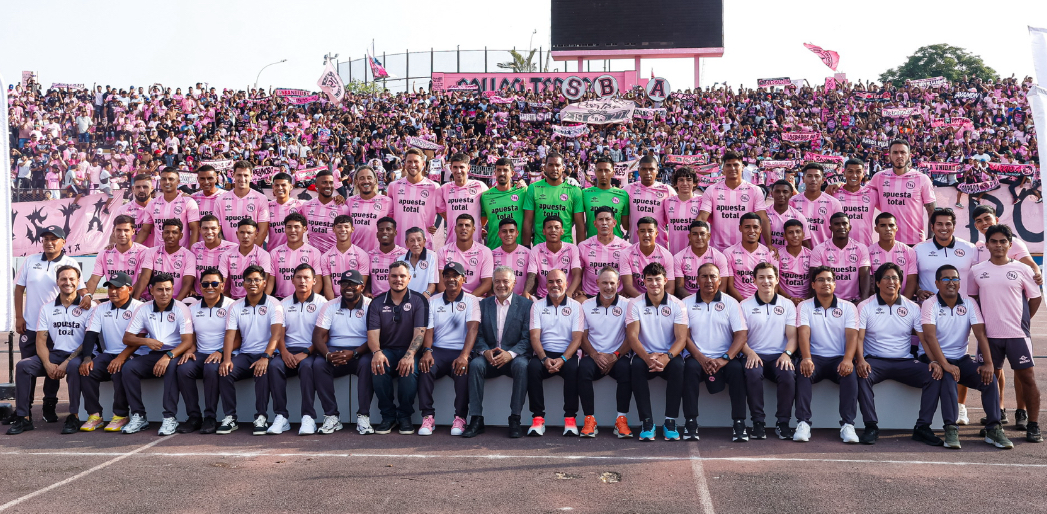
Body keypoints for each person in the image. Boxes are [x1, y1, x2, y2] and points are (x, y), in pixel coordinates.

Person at [920, 264, 1011, 449]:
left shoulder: (969, 302)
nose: (951, 282)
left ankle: (993, 428)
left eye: (955, 278)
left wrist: (988, 363)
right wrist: (944, 364)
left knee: (989, 379)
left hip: (961, 358)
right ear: (937, 283)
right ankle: (951, 428)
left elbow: (980, 334)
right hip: (935, 359)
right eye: (946, 279)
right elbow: (929, 337)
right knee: (947, 378)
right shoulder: (930, 303)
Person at [967, 205, 1042, 428]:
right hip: (989, 336)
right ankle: (996, 418)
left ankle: (1029, 420)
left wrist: (1023, 319)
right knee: (989, 377)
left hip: (1017, 333)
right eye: (994, 242)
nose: (998, 245)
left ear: (1010, 244)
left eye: (1002, 242)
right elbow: (973, 299)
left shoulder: (1022, 268)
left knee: (1026, 377)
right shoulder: (977, 269)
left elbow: (1035, 297)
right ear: (986, 244)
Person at [855, 263, 941, 446]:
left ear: (901, 283)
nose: (891, 281)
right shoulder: (865, 306)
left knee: (934, 375)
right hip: (875, 361)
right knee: (861, 375)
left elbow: (923, 339)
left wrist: (933, 360)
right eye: (886, 278)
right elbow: (859, 338)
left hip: (905, 361)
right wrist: (860, 360)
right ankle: (871, 426)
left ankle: (922, 427)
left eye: (895, 278)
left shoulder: (912, 307)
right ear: (877, 283)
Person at [7, 265, 95, 435]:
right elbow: (41, 340)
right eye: (63, 279)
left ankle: (74, 416)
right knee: (23, 366)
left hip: (79, 355)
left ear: (78, 282)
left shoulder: (90, 307)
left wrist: (66, 362)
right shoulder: (47, 308)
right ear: (57, 282)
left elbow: (88, 341)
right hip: (56, 353)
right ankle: (23, 417)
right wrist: (47, 364)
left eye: (71, 279)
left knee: (72, 367)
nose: (67, 282)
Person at [13, 227, 86, 425]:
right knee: (27, 367)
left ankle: (49, 405)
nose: (49, 242)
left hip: (55, 325)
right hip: (31, 324)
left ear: (63, 241)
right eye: (45, 239)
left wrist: (87, 297)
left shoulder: (69, 263)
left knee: (52, 366)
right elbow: (19, 289)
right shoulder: (31, 260)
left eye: (54, 239)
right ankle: (24, 411)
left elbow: (80, 288)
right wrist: (19, 316)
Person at [462, 266, 534, 438]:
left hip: (514, 357)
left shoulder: (526, 305)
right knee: (475, 365)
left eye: (505, 281)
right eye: (497, 281)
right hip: (489, 357)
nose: (501, 285)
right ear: (492, 283)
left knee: (522, 366)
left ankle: (515, 418)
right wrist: (485, 351)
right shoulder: (483, 304)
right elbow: (476, 334)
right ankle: (476, 418)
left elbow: (528, 338)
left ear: (514, 283)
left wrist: (511, 353)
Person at [680, 263, 749, 441]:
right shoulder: (685, 304)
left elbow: (741, 335)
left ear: (719, 280)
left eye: (713, 277)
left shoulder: (731, 303)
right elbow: (683, 336)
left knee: (736, 370)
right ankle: (690, 422)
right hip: (697, 356)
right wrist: (701, 358)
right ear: (697, 280)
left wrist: (724, 359)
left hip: (725, 357)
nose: (709, 280)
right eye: (704, 276)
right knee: (689, 369)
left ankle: (739, 423)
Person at [120, 272, 195, 435]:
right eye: (160, 289)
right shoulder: (143, 308)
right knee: (129, 368)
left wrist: (168, 356)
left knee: (171, 368)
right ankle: (139, 416)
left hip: (176, 353)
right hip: (154, 353)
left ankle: (169, 418)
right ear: (151, 290)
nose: (165, 293)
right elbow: (127, 338)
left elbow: (187, 342)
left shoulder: (181, 308)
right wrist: (146, 341)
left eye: (168, 289)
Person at [794, 266, 861, 443]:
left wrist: (848, 359)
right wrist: (806, 358)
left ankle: (848, 425)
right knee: (802, 371)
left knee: (850, 374)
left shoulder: (848, 307)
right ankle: (803, 423)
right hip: (814, 358)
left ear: (835, 284)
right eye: (821, 280)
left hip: (839, 358)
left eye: (830, 280)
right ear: (813, 284)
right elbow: (803, 333)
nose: (826, 283)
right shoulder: (804, 306)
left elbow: (852, 335)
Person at [258, 264, 327, 435]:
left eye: (306, 278)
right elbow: (278, 333)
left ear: (314, 281)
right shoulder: (283, 303)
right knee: (274, 366)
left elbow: (325, 335)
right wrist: (284, 352)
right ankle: (281, 416)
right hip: (288, 350)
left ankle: (308, 417)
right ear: (292, 280)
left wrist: (307, 352)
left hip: (312, 350)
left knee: (306, 367)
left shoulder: (322, 303)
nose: (302, 281)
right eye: (299, 277)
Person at [217, 265, 286, 435]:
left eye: (257, 280)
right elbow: (229, 336)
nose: (252, 283)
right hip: (246, 354)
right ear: (243, 283)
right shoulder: (236, 306)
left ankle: (261, 416)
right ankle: (230, 417)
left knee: (262, 370)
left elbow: (276, 335)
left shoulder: (273, 304)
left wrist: (265, 356)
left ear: (264, 283)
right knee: (225, 371)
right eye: (249, 280)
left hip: (268, 354)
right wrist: (226, 359)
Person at [626, 262, 689, 441]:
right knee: (636, 367)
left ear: (665, 281)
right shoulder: (635, 304)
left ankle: (670, 421)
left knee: (678, 367)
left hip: (669, 355)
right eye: (650, 280)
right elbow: (632, 337)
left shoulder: (677, 304)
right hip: (645, 355)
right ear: (643, 282)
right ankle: (647, 422)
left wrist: (667, 357)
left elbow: (681, 338)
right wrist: (647, 357)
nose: (654, 284)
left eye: (658, 280)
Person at [308, 270, 376, 435]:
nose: (348, 287)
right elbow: (317, 335)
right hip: (334, 351)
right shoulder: (330, 305)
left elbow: (375, 336)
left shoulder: (371, 305)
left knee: (368, 363)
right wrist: (327, 355)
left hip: (361, 351)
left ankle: (363, 415)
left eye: (353, 283)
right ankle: (332, 416)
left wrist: (355, 353)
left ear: (361, 286)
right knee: (318, 364)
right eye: (344, 283)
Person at [416, 262, 480, 436]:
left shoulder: (471, 300)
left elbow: (472, 329)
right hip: (438, 350)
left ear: (464, 279)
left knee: (463, 371)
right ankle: (428, 417)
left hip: (460, 351)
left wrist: (464, 356)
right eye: (447, 276)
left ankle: (460, 417)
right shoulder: (433, 300)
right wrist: (427, 351)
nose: (451, 279)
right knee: (425, 367)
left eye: (455, 276)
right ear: (443, 279)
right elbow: (429, 329)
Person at [367, 261, 429, 434]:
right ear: (388, 278)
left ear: (409, 278)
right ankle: (388, 416)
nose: (398, 279)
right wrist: (377, 353)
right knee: (378, 367)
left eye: (402, 276)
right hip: (386, 350)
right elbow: (372, 334)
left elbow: (420, 333)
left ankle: (404, 416)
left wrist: (409, 355)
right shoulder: (377, 303)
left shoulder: (419, 300)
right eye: (394, 276)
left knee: (409, 371)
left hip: (410, 350)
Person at [75, 272, 142, 432]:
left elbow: (140, 337)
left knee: (120, 369)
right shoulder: (100, 308)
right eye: (110, 288)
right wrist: (86, 357)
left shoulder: (139, 307)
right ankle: (95, 415)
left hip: (136, 353)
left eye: (118, 288)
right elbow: (90, 334)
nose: (113, 292)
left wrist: (121, 357)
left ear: (130, 289)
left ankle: (120, 415)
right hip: (110, 353)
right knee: (87, 370)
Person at [740, 262, 798, 440]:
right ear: (754, 281)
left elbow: (793, 337)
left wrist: (786, 354)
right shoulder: (744, 305)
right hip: (753, 354)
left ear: (777, 279)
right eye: (761, 277)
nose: (766, 281)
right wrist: (749, 352)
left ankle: (783, 423)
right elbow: (739, 338)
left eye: (770, 277)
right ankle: (758, 422)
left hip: (778, 356)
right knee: (752, 373)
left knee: (788, 374)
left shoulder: (787, 304)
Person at [525, 269, 584, 436]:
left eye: (559, 281)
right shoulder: (537, 306)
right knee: (533, 368)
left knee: (573, 369)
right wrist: (544, 358)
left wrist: (563, 358)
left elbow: (577, 338)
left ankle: (570, 419)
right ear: (545, 284)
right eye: (550, 281)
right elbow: (534, 337)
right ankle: (537, 419)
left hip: (567, 353)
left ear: (566, 284)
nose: (555, 285)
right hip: (544, 352)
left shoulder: (576, 306)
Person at [178, 268, 236, 434]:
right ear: (200, 287)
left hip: (224, 352)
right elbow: (192, 337)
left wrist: (221, 352)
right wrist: (190, 350)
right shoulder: (192, 308)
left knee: (211, 369)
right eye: (205, 284)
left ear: (223, 286)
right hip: (201, 353)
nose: (210, 287)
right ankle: (194, 417)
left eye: (215, 283)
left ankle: (210, 417)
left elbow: (238, 338)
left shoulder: (232, 305)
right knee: (183, 369)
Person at [578, 267, 633, 438]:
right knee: (583, 369)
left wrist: (614, 356)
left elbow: (632, 337)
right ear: (597, 283)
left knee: (627, 370)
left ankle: (621, 420)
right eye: (604, 283)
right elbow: (582, 337)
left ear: (618, 283)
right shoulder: (586, 305)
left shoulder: (628, 305)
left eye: (612, 283)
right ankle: (589, 420)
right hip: (594, 355)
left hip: (618, 356)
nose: (608, 287)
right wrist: (595, 355)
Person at [697, 150, 772, 251]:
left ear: (742, 167)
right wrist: (692, 245)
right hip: (719, 250)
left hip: (746, 250)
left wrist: (769, 244)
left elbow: (763, 218)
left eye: (736, 165)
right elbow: (702, 218)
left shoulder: (754, 190)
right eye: (728, 165)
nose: (732, 168)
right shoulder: (712, 190)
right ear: (723, 168)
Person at [865, 140, 937, 245]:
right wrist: (839, 185)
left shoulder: (922, 178)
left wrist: (931, 240)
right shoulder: (879, 177)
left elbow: (933, 211)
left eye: (903, 152)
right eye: (895, 152)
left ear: (909, 156)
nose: (899, 156)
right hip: (888, 243)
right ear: (889, 155)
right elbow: (860, 192)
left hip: (915, 242)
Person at [80, 215, 148, 309]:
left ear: (133, 231)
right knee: (92, 305)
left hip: (137, 298)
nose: (122, 234)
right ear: (113, 231)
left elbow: (142, 280)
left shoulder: (144, 252)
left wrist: (128, 299)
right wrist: (87, 296)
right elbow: (94, 279)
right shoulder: (104, 253)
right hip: (114, 298)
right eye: (119, 230)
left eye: (126, 230)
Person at [523, 152, 586, 245]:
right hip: (540, 246)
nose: (554, 168)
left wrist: (581, 250)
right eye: (551, 165)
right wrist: (526, 246)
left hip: (566, 247)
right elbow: (528, 222)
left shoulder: (575, 190)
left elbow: (580, 224)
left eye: (557, 165)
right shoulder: (533, 188)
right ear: (545, 168)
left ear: (563, 168)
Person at [809, 213, 871, 303]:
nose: (841, 226)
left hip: (854, 301)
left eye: (844, 223)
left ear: (849, 227)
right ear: (830, 228)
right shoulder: (819, 249)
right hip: (828, 302)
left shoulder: (861, 248)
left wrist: (863, 300)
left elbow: (864, 276)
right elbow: (814, 278)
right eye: (837, 224)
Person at [388, 148, 440, 248]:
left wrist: (437, 226)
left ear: (423, 164)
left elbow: (444, 211)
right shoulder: (394, 186)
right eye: (409, 162)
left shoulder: (434, 187)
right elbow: (389, 214)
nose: (412, 165)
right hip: (399, 243)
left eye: (416, 161)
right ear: (405, 164)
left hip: (424, 244)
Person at [133, 219, 197, 301]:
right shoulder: (151, 252)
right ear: (162, 234)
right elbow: (144, 278)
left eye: (174, 232)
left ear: (181, 236)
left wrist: (175, 304)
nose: (170, 235)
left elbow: (187, 284)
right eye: (167, 232)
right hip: (156, 299)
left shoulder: (189, 255)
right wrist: (134, 301)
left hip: (178, 299)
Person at [137, 167, 200, 248]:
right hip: (158, 255)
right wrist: (132, 250)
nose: (167, 182)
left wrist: (191, 252)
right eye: (163, 179)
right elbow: (145, 230)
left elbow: (194, 230)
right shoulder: (152, 203)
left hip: (181, 255)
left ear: (178, 182)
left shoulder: (188, 202)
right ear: (160, 181)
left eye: (171, 179)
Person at [577, 207, 630, 300]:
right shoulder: (583, 246)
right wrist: (578, 289)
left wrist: (626, 289)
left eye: (608, 219)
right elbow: (578, 273)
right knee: (579, 300)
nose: (604, 223)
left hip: (616, 294)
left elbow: (630, 274)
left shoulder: (626, 247)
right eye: (601, 220)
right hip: (590, 294)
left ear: (614, 223)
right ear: (595, 223)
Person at [214, 161, 270, 246]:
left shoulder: (261, 198)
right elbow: (217, 230)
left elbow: (263, 231)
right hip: (228, 254)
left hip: (253, 254)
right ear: (233, 175)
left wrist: (250, 253)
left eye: (246, 175)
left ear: (251, 176)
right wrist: (226, 250)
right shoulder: (221, 200)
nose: (242, 179)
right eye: (239, 175)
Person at [435, 214, 494, 296]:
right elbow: (441, 283)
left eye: (467, 225)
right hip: (450, 298)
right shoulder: (443, 251)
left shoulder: (485, 251)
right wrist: (453, 300)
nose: (463, 228)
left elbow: (487, 283)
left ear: (473, 229)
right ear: (455, 229)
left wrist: (467, 300)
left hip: (475, 298)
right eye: (460, 225)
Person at [724, 213, 778, 302]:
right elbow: (730, 286)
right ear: (740, 228)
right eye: (747, 227)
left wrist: (766, 302)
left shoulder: (770, 253)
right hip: (739, 302)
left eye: (755, 227)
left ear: (760, 229)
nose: (752, 230)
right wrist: (744, 303)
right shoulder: (729, 253)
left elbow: (774, 284)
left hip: (764, 302)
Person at [268, 212, 324, 299]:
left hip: (305, 300)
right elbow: (270, 282)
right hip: (281, 300)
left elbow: (318, 281)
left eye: (296, 227)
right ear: (285, 229)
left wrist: (310, 300)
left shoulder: (314, 252)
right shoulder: (275, 252)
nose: (292, 230)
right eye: (289, 227)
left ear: (304, 229)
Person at [525, 216, 582, 299]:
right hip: (542, 296)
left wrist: (569, 293)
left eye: (557, 227)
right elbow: (531, 276)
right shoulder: (536, 250)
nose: (553, 230)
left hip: (566, 295)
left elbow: (577, 274)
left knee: (581, 300)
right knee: (527, 300)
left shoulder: (572, 249)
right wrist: (526, 292)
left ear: (562, 231)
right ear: (544, 231)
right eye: (549, 227)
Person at [624, 155, 675, 247]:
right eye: (644, 169)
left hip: (660, 245)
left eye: (651, 169)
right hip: (635, 245)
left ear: (657, 170)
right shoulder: (628, 189)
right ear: (638, 170)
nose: (648, 172)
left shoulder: (667, 190)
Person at [437, 153, 489, 243]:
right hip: (452, 241)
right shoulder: (444, 188)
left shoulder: (480, 186)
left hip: (475, 241)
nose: (458, 170)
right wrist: (452, 220)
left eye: (461, 167)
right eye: (455, 167)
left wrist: (481, 225)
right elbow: (441, 211)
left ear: (468, 168)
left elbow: (488, 209)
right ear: (451, 168)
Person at [217, 219, 275, 299]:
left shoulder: (264, 255)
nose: (245, 236)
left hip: (255, 299)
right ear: (237, 234)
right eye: (242, 232)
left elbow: (263, 282)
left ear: (256, 235)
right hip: (234, 300)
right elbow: (221, 282)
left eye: (249, 233)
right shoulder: (227, 255)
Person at [867, 213, 919, 300]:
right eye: (883, 225)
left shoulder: (909, 251)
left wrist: (903, 303)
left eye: (891, 225)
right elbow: (869, 282)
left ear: (896, 228)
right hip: (877, 302)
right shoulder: (868, 252)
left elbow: (911, 281)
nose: (888, 229)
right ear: (876, 229)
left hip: (903, 301)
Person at [790, 163, 843, 246]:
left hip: (825, 254)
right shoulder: (792, 202)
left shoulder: (834, 203)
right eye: (809, 176)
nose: (813, 179)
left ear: (822, 180)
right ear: (803, 179)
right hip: (800, 255)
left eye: (817, 176)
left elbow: (840, 232)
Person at [673, 220, 729, 298]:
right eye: (695, 234)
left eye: (702, 234)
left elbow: (722, 287)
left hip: (712, 299)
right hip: (688, 299)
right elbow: (679, 287)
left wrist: (709, 302)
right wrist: (693, 302)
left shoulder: (719, 257)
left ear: (708, 236)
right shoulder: (679, 257)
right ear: (689, 237)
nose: (699, 238)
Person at [320, 215, 371, 299]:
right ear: (334, 229)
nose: (343, 230)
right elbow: (328, 286)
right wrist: (334, 305)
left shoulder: (362, 255)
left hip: (355, 299)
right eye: (339, 227)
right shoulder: (325, 257)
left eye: (346, 227)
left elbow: (361, 284)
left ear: (352, 229)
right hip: (334, 301)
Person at [298, 170, 349, 254]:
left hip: (334, 258)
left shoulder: (343, 208)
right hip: (312, 257)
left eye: (331, 183)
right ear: (316, 185)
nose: (328, 186)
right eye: (324, 183)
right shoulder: (306, 206)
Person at [581, 156, 630, 241]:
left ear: (613, 173)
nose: (603, 174)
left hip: (616, 246)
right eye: (600, 170)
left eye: (607, 170)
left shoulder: (623, 195)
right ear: (595, 172)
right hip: (592, 246)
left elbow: (626, 226)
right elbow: (580, 224)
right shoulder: (585, 193)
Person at [347, 166, 393, 253]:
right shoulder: (349, 201)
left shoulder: (387, 202)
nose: (366, 181)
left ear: (375, 180)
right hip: (354, 255)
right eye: (362, 178)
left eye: (369, 178)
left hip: (377, 256)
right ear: (356, 181)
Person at [189, 214, 237, 295]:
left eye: (213, 228)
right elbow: (190, 272)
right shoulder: (195, 248)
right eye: (205, 228)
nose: (209, 232)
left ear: (219, 229)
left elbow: (235, 275)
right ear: (199, 229)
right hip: (200, 296)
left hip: (223, 296)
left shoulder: (232, 248)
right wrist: (191, 289)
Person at [833, 159, 876, 247]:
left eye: (858, 172)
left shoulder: (872, 193)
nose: (854, 175)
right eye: (850, 171)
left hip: (865, 247)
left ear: (863, 174)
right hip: (838, 248)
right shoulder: (834, 193)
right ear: (844, 173)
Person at [662, 166, 703, 254]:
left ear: (695, 183)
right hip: (675, 253)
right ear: (676, 183)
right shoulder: (667, 202)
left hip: (698, 253)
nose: (685, 183)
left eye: (688, 180)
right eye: (681, 180)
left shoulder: (702, 201)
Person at [765, 180, 811, 251]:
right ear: (772, 193)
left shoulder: (798, 216)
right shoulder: (764, 213)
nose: (781, 194)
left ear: (791, 195)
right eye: (777, 191)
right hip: (767, 258)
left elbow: (805, 243)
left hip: (789, 260)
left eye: (785, 192)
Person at [393, 227, 439, 298]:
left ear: (424, 242)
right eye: (412, 240)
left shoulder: (431, 257)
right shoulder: (400, 260)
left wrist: (423, 297)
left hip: (424, 299)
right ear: (406, 243)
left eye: (419, 240)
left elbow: (432, 284)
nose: (416, 244)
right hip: (406, 299)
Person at [491, 218, 531, 296]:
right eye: (504, 231)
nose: (508, 234)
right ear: (499, 234)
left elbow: (533, 278)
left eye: (511, 231)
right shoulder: (492, 254)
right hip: (499, 298)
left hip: (522, 299)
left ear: (517, 233)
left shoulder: (528, 253)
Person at [368, 217, 407, 297]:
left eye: (388, 229)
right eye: (381, 230)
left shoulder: (404, 255)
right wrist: (367, 292)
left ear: (395, 233)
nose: (384, 232)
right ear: (377, 234)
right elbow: (368, 279)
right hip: (375, 300)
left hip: (398, 299)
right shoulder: (370, 255)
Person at [778, 220, 813, 305]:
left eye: (798, 232)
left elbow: (815, 281)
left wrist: (807, 299)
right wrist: (789, 298)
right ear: (785, 236)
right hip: (784, 301)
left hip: (807, 301)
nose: (795, 235)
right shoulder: (777, 255)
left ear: (803, 235)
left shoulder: (811, 255)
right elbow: (774, 282)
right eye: (790, 232)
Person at [266, 172, 304, 249]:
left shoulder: (301, 205)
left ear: (291, 187)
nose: (280, 188)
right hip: (273, 254)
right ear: (273, 187)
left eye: (283, 185)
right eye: (277, 185)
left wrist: (335, 198)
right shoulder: (267, 206)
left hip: (296, 255)